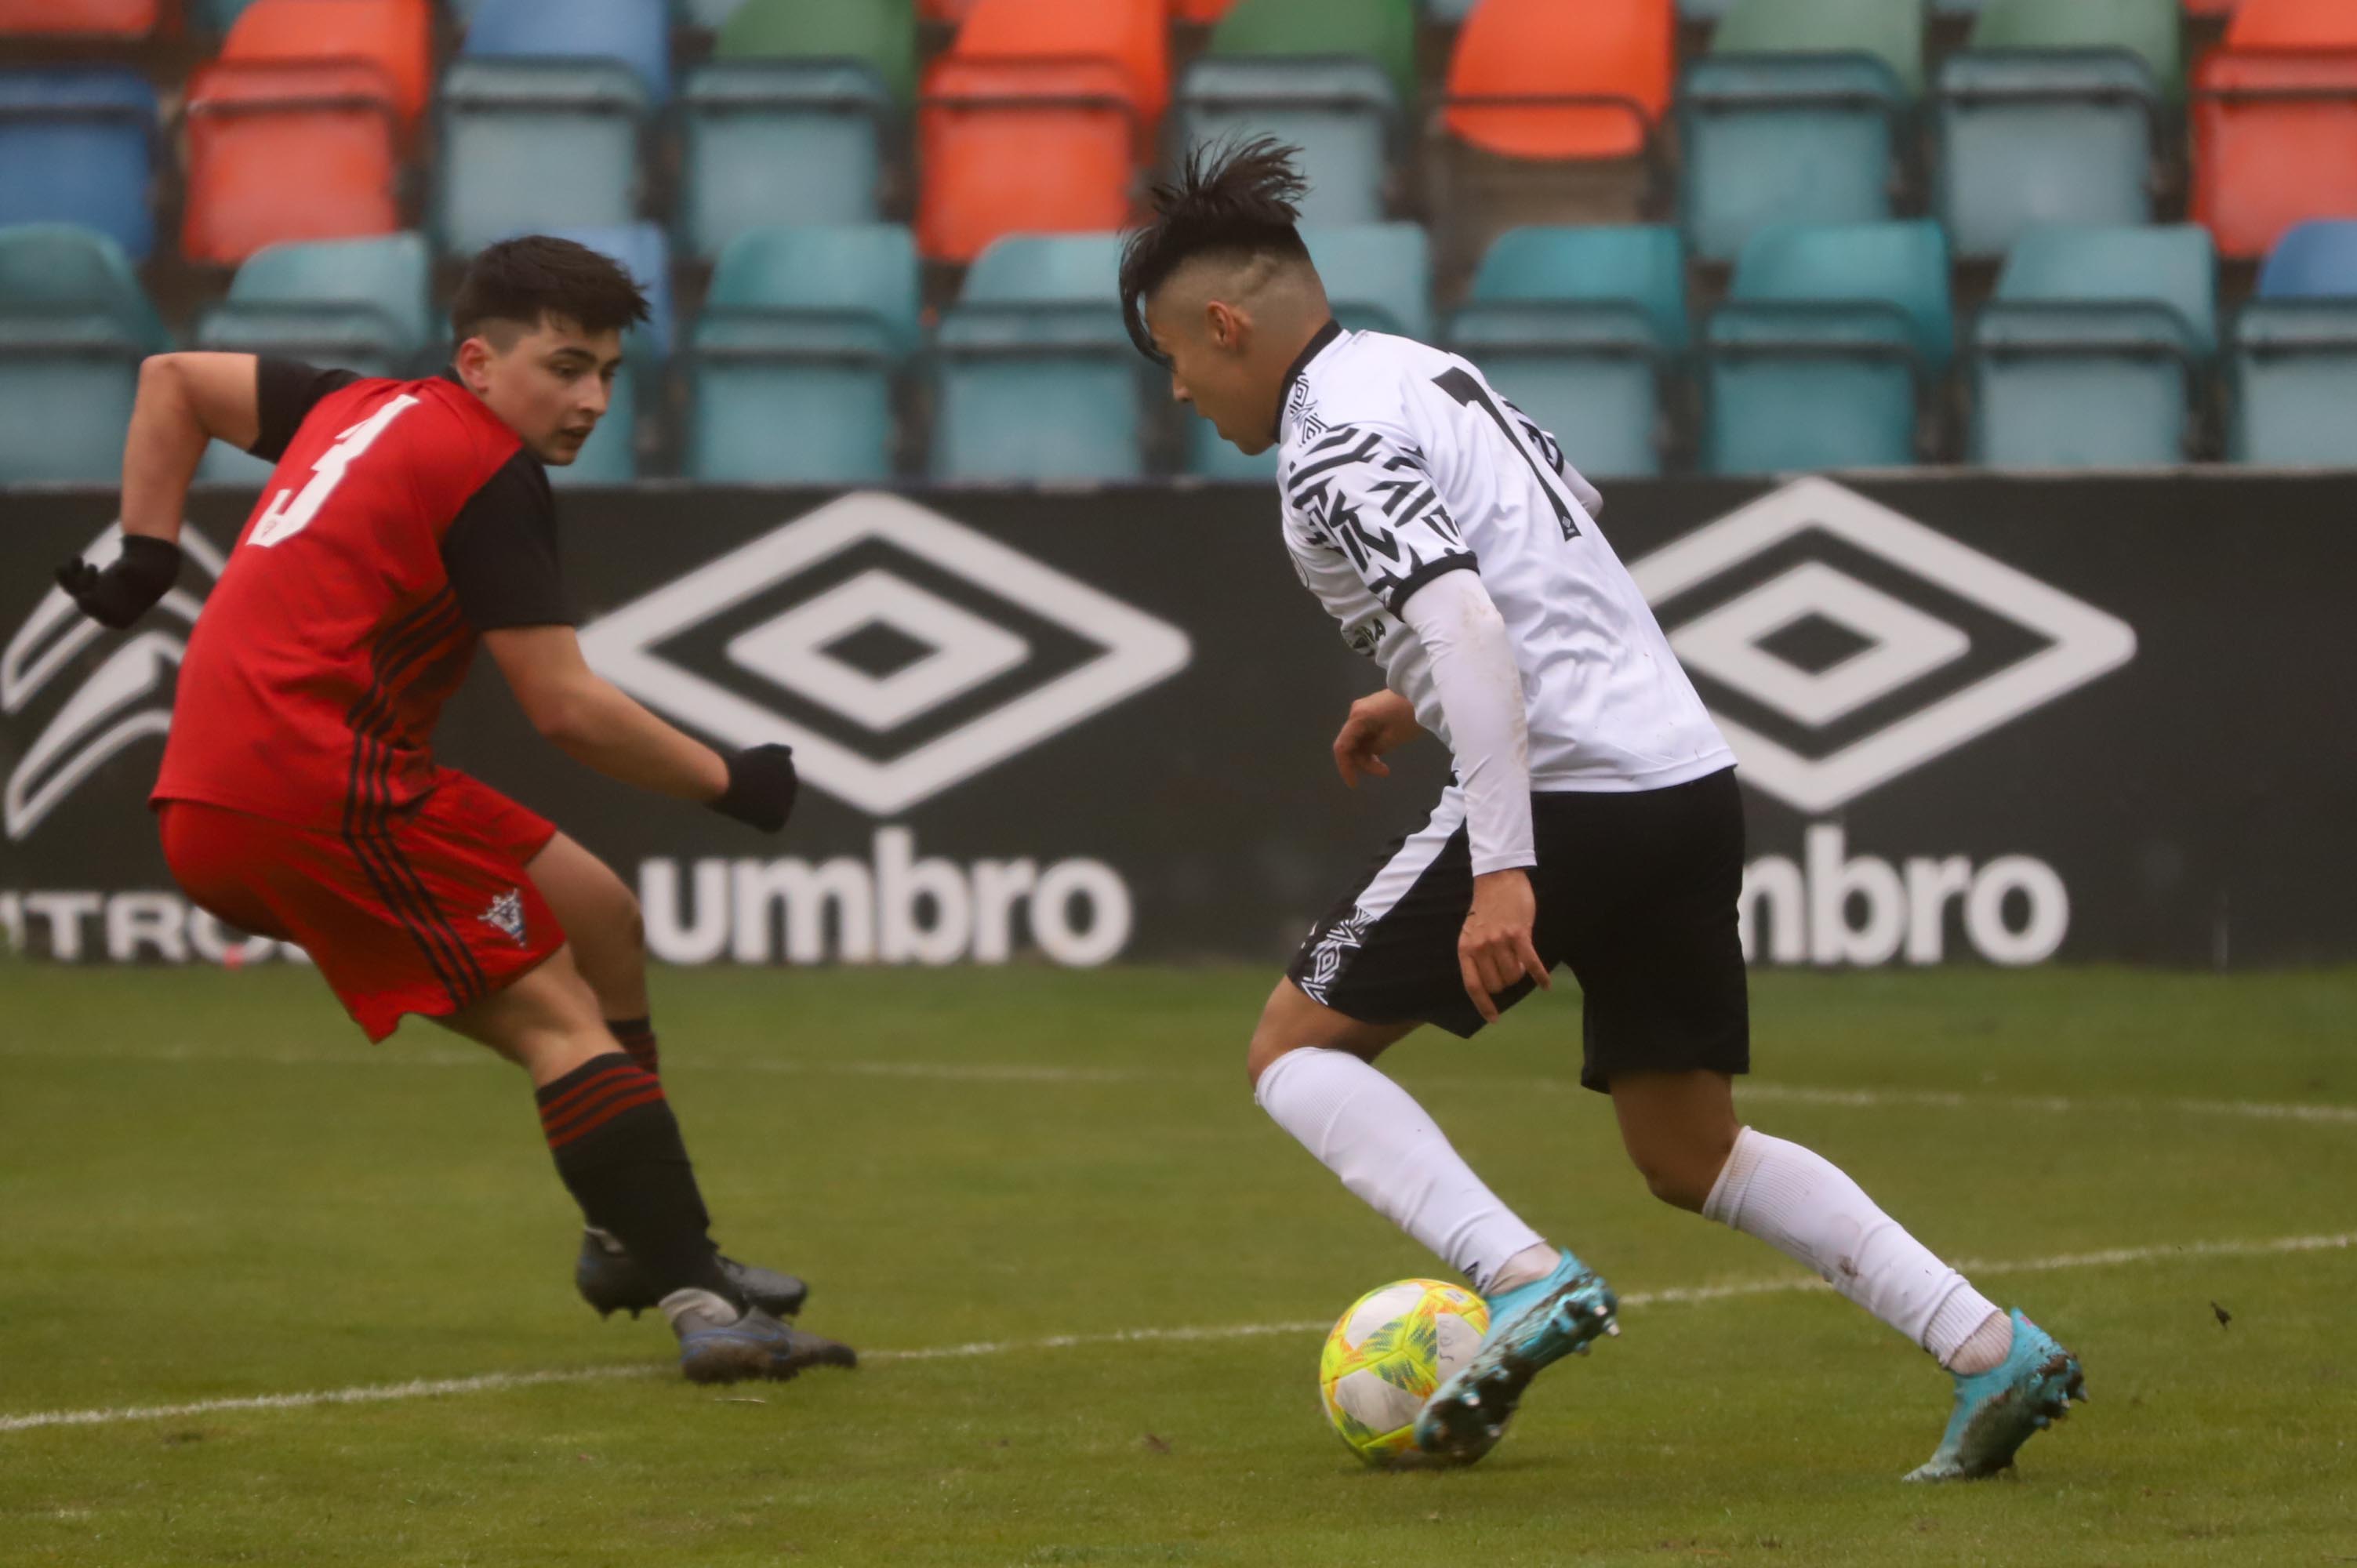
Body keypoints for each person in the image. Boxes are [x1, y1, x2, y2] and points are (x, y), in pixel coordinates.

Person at [1117, 140, 2085, 1478]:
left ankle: (1514, 1279)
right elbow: (1563, 515)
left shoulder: (1327, 439)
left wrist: (1502, 863)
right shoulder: (1428, 372)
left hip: (1563, 792)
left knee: (1294, 1050)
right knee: (1687, 1148)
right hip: (1680, 779)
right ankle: (1990, 1348)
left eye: (1171, 354)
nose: (1175, 387)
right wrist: (1421, 694)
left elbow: (1462, 615)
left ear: (1225, 324)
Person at [53, 235, 853, 1387]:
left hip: (264, 775)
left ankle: (637, 1239)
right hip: (308, 786)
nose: (590, 401)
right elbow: (566, 709)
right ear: (478, 362)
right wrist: (737, 782)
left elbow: (171, 380)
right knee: (554, 1021)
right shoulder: (489, 468)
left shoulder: (358, 406)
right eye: (565, 367)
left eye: (609, 375)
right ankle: (701, 1302)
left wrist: (142, 550)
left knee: (599, 917)